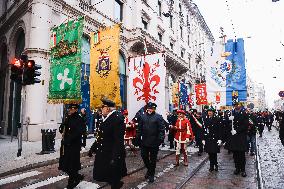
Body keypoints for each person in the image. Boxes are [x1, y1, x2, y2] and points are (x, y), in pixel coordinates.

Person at [88, 99, 127, 189]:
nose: (101, 109)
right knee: (107, 176)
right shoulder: (106, 118)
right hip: (104, 153)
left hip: (112, 154)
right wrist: (92, 148)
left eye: (103, 107)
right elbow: (100, 136)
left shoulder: (117, 119)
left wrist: (115, 157)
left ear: (108, 109)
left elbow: (118, 141)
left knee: (113, 176)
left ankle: (116, 184)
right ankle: (116, 183)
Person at [136, 102, 165, 183]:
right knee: (144, 156)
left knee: (153, 159)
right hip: (144, 141)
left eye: (152, 108)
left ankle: (151, 174)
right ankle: (149, 169)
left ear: (154, 109)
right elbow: (139, 128)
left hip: (154, 142)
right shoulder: (142, 116)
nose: (150, 110)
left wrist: (160, 140)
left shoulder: (158, 117)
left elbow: (161, 130)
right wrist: (137, 138)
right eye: (149, 108)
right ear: (147, 108)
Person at [59, 104, 85, 189]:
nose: (70, 110)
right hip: (66, 146)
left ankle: (70, 184)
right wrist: (62, 125)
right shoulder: (67, 118)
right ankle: (77, 176)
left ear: (76, 109)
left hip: (74, 146)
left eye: (72, 108)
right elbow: (62, 129)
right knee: (65, 165)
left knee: (72, 165)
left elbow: (79, 132)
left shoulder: (79, 119)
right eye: (69, 108)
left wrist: (69, 139)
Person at [225, 103, 249, 177]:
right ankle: (237, 168)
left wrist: (237, 130)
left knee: (241, 154)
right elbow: (225, 124)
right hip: (234, 137)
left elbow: (245, 125)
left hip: (241, 136)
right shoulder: (231, 113)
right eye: (235, 105)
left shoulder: (244, 113)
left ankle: (243, 169)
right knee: (235, 154)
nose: (236, 106)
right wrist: (228, 119)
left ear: (240, 106)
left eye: (238, 105)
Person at [202, 107, 221, 172]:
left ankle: (216, 164)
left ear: (213, 112)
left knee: (214, 153)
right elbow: (204, 129)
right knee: (210, 153)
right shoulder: (205, 119)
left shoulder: (217, 119)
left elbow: (219, 130)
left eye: (211, 111)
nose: (209, 113)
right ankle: (211, 165)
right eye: (208, 111)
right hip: (208, 138)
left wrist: (220, 139)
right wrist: (203, 139)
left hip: (215, 138)